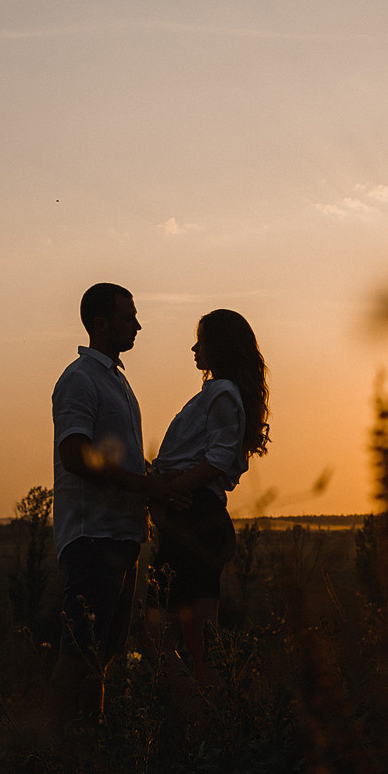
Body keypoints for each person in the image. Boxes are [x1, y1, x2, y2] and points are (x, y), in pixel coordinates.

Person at [48, 281, 177, 726]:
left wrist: (150, 477)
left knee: (101, 656)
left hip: (121, 537)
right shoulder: (79, 380)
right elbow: (75, 454)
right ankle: (54, 759)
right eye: (128, 317)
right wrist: (143, 488)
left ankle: (85, 751)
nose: (138, 325)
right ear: (100, 324)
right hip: (91, 537)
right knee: (78, 652)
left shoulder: (115, 381)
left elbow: (114, 453)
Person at [143, 308, 269, 723]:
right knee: (198, 639)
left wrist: (164, 491)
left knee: (160, 636)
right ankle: (213, 732)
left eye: (201, 340)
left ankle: (204, 730)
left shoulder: (221, 393)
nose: (194, 348)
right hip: (196, 518)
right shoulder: (221, 392)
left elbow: (216, 460)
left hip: (196, 516)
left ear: (219, 346)